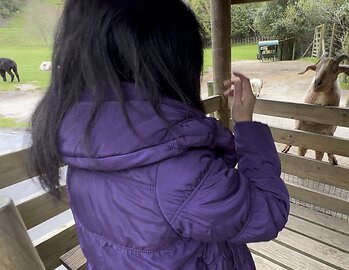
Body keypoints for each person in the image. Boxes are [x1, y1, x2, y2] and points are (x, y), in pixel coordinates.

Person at [28, 0, 290, 269]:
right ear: (170, 64)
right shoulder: (180, 173)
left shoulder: (81, 150)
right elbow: (268, 212)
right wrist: (246, 125)